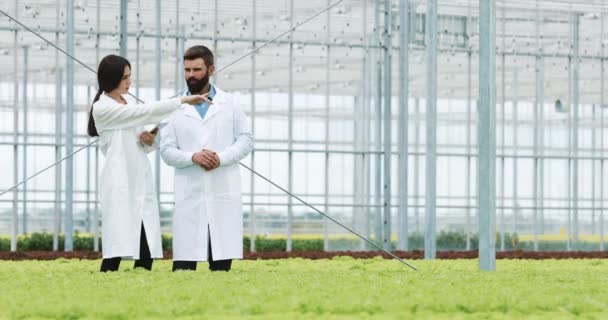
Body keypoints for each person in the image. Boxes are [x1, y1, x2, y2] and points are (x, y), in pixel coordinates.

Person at [88, 54, 209, 272]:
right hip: (119, 180)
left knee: (144, 252)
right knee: (117, 247)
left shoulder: (126, 103)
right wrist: (182, 100)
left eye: (129, 77)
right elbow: (142, 113)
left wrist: (148, 140)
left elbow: (141, 143)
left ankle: (135, 287)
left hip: (139, 177)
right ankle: (106, 287)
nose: (129, 82)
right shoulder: (102, 107)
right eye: (124, 77)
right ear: (111, 78)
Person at [160, 45, 254, 272]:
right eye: (187, 70)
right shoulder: (174, 107)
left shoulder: (230, 103)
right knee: (183, 266)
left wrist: (219, 158)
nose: (191, 75)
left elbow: (246, 140)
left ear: (211, 69)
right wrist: (193, 157)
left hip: (222, 190)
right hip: (189, 194)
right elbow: (167, 150)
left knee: (221, 264)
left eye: (197, 69)